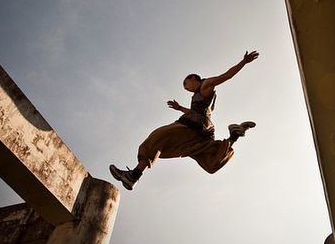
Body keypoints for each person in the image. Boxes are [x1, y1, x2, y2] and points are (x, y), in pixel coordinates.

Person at [109, 50, 259, 190]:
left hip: (191, 127)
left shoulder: (206, 85)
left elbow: (226, 76)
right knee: (211, 163)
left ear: (193, 79)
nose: (186, 88)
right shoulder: (201, 97)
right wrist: (180, 107)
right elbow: (198, 112)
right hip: (203, 133)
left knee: (156, 139)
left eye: (185, 84)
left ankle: (133, 176)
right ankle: (235, 134)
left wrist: (243, 62)